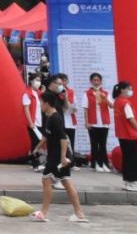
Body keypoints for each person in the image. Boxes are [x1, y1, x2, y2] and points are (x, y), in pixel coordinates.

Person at [29, 90, 89, 222]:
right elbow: (47, 135)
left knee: (46, 180)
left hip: (58, 156)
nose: (40, 105)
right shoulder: (49, 117)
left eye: (42, 102)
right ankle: (79, 213)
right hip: (56, 154)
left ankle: (44, 212)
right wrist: (37, 147)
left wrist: (63, 157)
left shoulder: (56, 119)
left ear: (47, 104)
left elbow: (63, 138)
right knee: (66, 181)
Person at [114, 81, 137, 192]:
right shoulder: (125, 103)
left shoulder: (117, 101)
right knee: (132, 159)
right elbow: (131, 118)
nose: (130, 91)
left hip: (122, 134)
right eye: (129, 89)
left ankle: (127, 182)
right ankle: (131, 182)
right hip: (129, 134)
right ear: (122, 90)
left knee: (127, 159)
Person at [84, 73, 112, 173]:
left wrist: (105, 98)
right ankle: (96, 163)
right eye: (94, 80)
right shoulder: (87, 93)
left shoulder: (106, 93)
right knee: (94, 144)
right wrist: (87, 122)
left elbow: (111, 106)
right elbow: (86, 109)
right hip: (93, 122)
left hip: (104, 122)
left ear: (101, 81)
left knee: (103, 144)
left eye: (98, 80)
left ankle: (104, 163)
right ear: (91, 81)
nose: (96, 82)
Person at [22, 72, 44, 171]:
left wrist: (42, 93)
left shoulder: (38, 93)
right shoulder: (27, 93)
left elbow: (42, 106)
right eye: (37, 80)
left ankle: (32, 161)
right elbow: (26, 109)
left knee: (37, 142)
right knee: (36, 142)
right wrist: (30, 122)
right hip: (33, 122)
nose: (38, 82)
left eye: (40, 81)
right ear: (31, 81)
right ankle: (36, 164)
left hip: (39, 121)